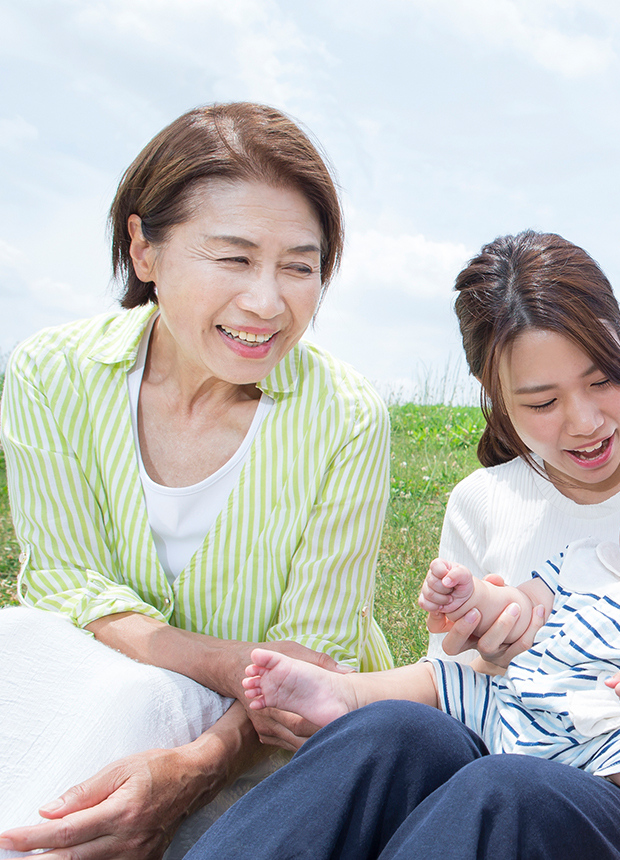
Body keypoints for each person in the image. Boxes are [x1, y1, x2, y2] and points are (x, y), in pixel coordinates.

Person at [184, 230, 620, 860]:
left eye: (602, 381)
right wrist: (480, 628)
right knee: (387, 730)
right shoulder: (484, 500)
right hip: (515, 739)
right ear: (498, 403)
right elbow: (458, 686)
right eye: (541, 402)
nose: (585, 421)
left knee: (505, 789)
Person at [0, 103, 392, 859]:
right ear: (143, 249)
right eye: (234, 257)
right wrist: (222, 661)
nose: (267, 302)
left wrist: (193, 764)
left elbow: (311, 666)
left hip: (274, 755)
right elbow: (61, 581)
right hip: (104, 711)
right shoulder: (53, 372)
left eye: (300, 266)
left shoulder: (346, 417)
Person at [239, 432, 620, 860]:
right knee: (443, 678)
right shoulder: (584, 561)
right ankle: (347, 695)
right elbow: (519, 607)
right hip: (521, 706)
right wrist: (469, 592)